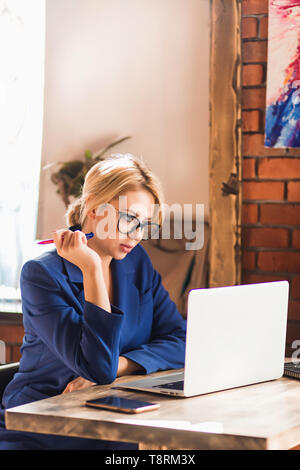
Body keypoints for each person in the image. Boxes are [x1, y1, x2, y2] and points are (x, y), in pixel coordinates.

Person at [0, 154, 186, 450]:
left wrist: (123, 365)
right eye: (129, 219)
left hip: (113, 425)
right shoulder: (42, 276)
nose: (137, 235)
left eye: (144, 224)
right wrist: (90, 269)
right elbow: (98, 368)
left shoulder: (136, 263)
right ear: (93, 207)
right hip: (43, 430)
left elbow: (181, 340)